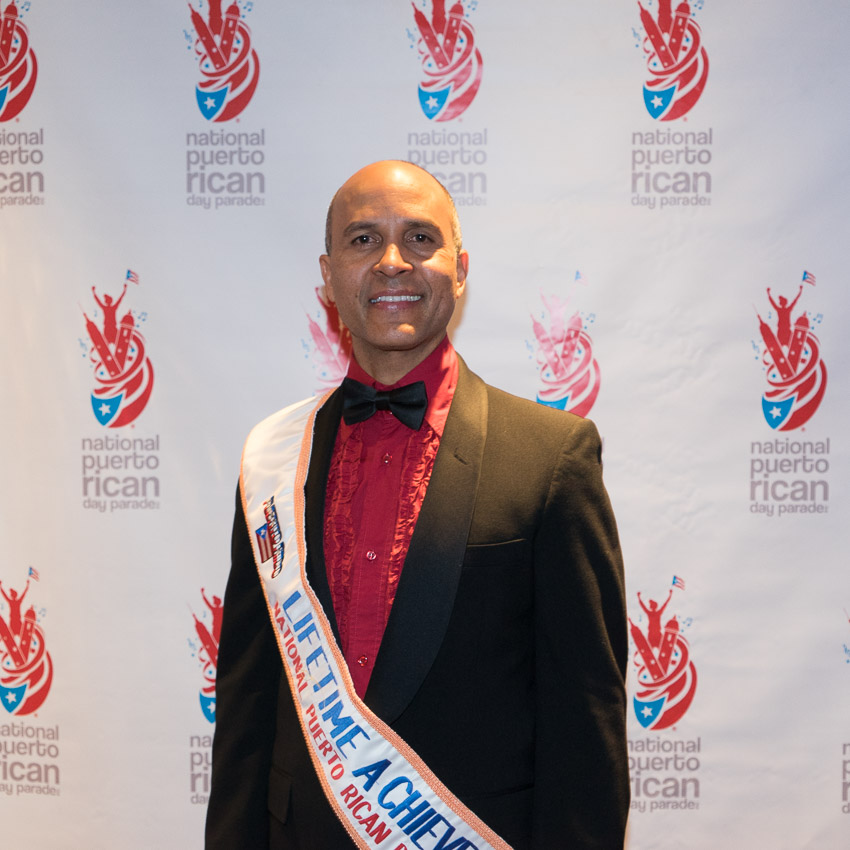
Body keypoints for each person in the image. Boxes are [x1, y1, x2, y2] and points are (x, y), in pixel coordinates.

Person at [206, 161, 628, 849]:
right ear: (329, 274)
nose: (393, 263)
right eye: (364, 240)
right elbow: (248, 713)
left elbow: (586, 727)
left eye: (420, 239)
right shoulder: (272, 462)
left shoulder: (553, 458)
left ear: (460, 269)